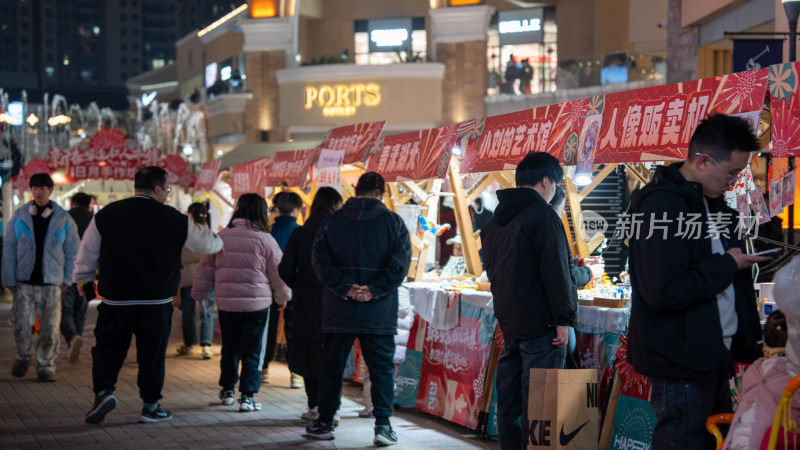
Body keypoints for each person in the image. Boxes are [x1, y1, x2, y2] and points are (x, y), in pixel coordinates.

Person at [627, 114, 767, 449]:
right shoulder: (660, 206)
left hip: (713, 355)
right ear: (703, 160)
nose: (734, 182)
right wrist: (729, 264)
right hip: (681, 360)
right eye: (732, 172)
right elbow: (665, 289)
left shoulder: (714, 205)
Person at [74, 166, 222, 424]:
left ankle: (104, 392)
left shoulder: (107, 215)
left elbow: (85, 257)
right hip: (156, 301)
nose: (167, 193)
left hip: (115, 300)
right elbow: (211, 244)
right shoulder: (174, 219)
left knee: (108, 348)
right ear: (157, 188)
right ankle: (151, 406)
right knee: (152, 354)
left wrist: (86, 290)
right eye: (166, 189)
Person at [307, 172, 411, 446]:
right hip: (378, 312)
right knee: (381, 371)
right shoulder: (394, 223)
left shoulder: (332, 221)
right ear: (382, 192)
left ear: (356, 190)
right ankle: (383, 427)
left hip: (338, 309)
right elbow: (399, 265)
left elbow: (319, 259)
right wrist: (374, 290)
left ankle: (325, 422)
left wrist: (346, 288)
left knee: (332, 367)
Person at [481, 152, 574, 450]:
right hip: (542, 328)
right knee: (542, 413)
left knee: (510, 408)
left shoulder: (496, 221)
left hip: (510, 326)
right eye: (556, 183)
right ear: (546, 181)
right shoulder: (544, 216)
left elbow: (493, 272)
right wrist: (564, 319)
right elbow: (556, 271)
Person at [192, 193, 291, 412]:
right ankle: (247, 396)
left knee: (230, 348)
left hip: (227, 303)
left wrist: (198, 295)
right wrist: (283, 297)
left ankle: (227, 390)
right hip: (257, 305)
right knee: (253, 350)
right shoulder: (266, 239)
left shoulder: (221, 236)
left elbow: (205, 268)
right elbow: (278, 273)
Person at [3, 173, 80, 382]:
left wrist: (67, 278)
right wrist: (8, 278)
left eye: (42, 188)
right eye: (34, 188)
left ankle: (46, 364)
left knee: (49, 326)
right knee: (21, 323)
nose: (38, 192)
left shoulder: (63, 219)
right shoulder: (19, 216)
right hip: (23, 281)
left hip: (51, 283)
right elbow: (9, 249)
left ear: (50, 190)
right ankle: (23, 356)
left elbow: (73, 250)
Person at [278, 187, 343, 421]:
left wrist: (300, 285)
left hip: (305, 302)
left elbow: (284, 269)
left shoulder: (300, 233)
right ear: (336, 206)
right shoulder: (341, 232)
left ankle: (314, 407)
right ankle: (332, 409)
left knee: (309, 352)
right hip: (335, 300)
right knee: (333, 353)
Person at [263, 191, 303, 389]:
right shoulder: (300, 232)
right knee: (293, 330)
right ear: (296, 210)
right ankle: (295, 373)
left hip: (269, 286)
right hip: (295, 287)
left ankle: (263, 370)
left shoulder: (268, 232)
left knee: (268, 328)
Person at [176, 202, 216, 360]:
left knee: (188, 312)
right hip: (206, 278)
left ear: (190, 215)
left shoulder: (184, 234)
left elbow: (179, 257)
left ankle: (189, 344)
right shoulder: (209, 234)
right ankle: (206, 345)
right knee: (206, 310)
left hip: (188, 279)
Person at [60, 192, 95, 363]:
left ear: (72, 203)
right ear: (89, 204)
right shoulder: (95, 220)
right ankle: (77, 340)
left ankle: (72, 338)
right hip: (87, 272)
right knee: (81, 311)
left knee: (64, 310)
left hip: (66, 272)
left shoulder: (64, 218)